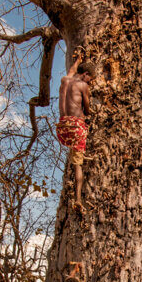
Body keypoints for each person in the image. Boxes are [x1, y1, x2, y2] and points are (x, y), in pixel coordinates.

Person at [56, 55, 94, 213]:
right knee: (78, 164)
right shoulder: (82, 85)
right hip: (76, 127)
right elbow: (87, 107)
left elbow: (72, 70)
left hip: (62, 129)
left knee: (75, 154)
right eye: (90, 79)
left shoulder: (65, 80)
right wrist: (92, 112)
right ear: (85, 75)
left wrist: (78, 58)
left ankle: (79, 153)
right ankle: (78, 199)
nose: (89, 83)